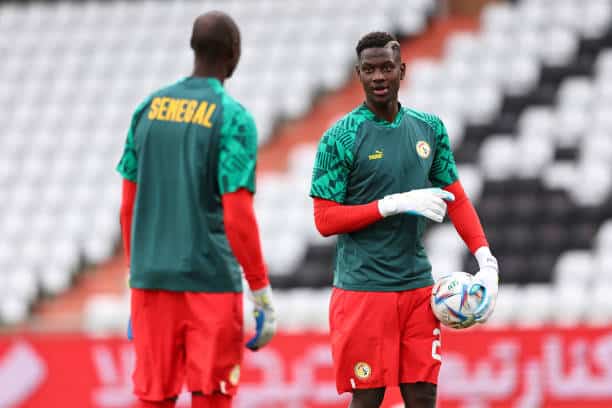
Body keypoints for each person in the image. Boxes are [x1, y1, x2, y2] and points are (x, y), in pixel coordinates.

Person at [310, 31, 499, 408]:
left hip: (416, 288)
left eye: (386, 68)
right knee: (368, 398)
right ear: (358, 74)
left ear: (402, 70)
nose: (378, 77)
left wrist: (486, 260)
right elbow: (325, 220)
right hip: (363, 289)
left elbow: (456, 198)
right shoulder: (341, 137)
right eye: (369, 70)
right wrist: (391, 204)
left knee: (423, 394)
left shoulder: (429, 128)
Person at [116, 11, 276, 408]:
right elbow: (238, 215)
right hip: (208, 281)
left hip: (151, 281)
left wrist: (136, 280)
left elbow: (127, 208)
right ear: (234, 54)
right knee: (211, 397)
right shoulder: (233, 118)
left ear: (193, 48)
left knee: (154, 398)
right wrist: (260, 291)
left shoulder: (147, 109)